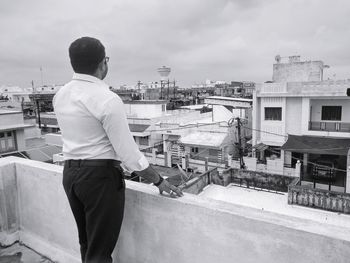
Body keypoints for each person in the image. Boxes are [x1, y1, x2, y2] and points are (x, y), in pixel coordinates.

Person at [53, 36, 183, 263]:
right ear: (103, 62)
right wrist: (159, 181)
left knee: (87, 244)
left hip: (71, 175)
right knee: (100, 252)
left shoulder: (60, 95)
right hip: (98, 179)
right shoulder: (107, 99)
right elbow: (129, 155)